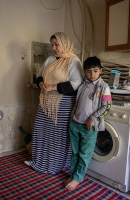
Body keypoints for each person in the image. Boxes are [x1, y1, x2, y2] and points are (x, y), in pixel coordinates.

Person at [25, 32, 84, 174]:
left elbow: (76, 83)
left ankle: (54, 166)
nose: (54, 48)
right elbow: (39, 75)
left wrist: (52, 87)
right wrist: (41, 85)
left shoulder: (73, 61)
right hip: (45, 101)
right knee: (40, 131)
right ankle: (38, 161)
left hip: (62, 104)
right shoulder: (50, 59)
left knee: (56, 136)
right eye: (52, 45)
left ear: (65, 44)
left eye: (57, 44)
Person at [65, 56, 112, 191]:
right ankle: (73, 175)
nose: (92, 74)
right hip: (75, 124)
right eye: (89, 71)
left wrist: (93, 118)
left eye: (95, 71)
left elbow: (106, 107)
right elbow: (77, 103)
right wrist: (72, 117)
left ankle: (78, 178)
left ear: (101, 71)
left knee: (84, 154)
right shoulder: (83, 85)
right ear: (84, 72)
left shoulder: (104, 87)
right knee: (75, 153)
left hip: (89, 127)